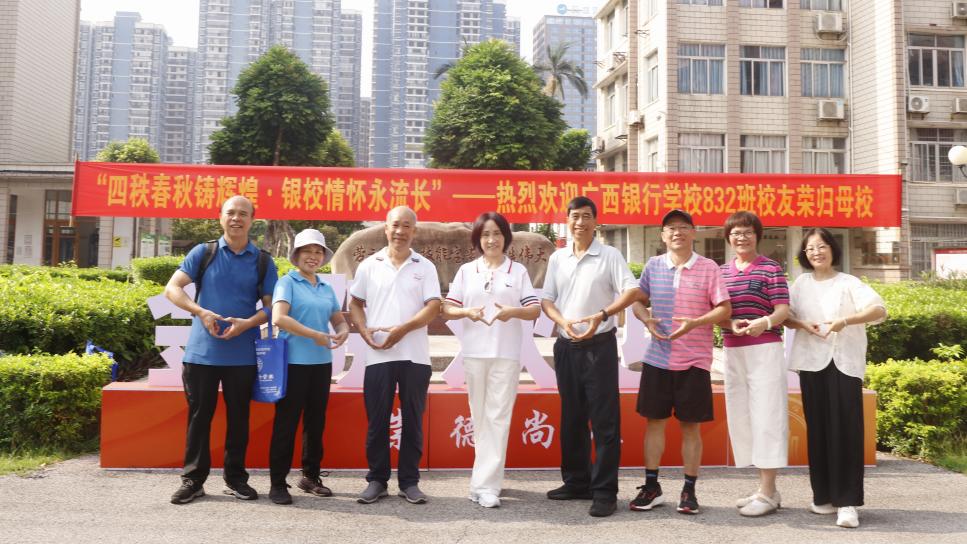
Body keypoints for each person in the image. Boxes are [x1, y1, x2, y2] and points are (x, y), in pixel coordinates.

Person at [164, 195, 278, 504]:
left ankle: (235, 478)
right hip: (201, 353)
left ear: (252, 220)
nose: (236, 218)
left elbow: (273, 307)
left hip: (243, 354)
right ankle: (193, 479)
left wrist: (247, 323)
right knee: (199, 417)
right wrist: (200, 311)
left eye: (243, 214)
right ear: (220, 217)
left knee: (239, 418)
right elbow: (172, 288)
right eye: (231, 212)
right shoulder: (204, 252)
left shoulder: (263, 261)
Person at [540, 196, 644, 518]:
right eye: (575, 216)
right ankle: (576, 482)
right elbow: (547, 299)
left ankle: (605, 492)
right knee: (571, 418)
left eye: (586, 216)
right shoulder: (558, 258)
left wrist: (602, 315)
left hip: (599, 347)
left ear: (595, 222)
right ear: (567, 221)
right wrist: (563, 323)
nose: (580, 222)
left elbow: (631, 291)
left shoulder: (609, 255)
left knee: (604, 421)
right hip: (566, 346)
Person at [630, 209, 731, 515]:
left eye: (683, 227)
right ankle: (652, 486)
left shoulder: (708, 267)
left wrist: (696, 322)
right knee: (654, 423)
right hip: (657, 359)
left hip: (694, 361)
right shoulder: (653, 265)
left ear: (693, 232)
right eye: (671, 228)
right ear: (663, 235)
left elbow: (724, 309)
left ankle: (689, 490)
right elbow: (637, 300)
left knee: (691, 427)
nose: (677, 232)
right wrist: (646, 319)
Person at [784, 227, 886, 529]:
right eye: (811, 248)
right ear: (804, 254)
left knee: (846, 432)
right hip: (811, 363)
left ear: (833, 249)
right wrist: (803, 324)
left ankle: (848, 502)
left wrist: (845, 321)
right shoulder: (800, 284)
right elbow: (785, 316)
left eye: (822, 246)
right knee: (818, 431)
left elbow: (878, 310)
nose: (817, 252)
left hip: (843, 363)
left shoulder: (848, 282)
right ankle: (824, 496)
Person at [442, 212, 541, 509]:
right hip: (474, 354)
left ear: (505, 237)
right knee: (480, 418)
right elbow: (448, 308)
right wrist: (466, 312)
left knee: (498, 418)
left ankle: (486, 486)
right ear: (478, 239)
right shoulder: (467, 270)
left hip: (506, 355)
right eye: (485, 234)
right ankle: (483, 481)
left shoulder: (517, 271)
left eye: (497, 233)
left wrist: (512, 312)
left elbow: (534, 309)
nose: (491, 239)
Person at [348, 206, 441, 505]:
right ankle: (377, 480)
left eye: (406, 226)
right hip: (379, 354)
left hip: (415, 356)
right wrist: (363, 330)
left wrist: (403, 329)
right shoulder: (369, 265)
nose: (400, 231)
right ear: (386, 228)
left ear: (414, 231)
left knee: (413, 420)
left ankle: (409, 482)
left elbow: (433, 307)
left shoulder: (424, 266)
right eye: (395, 225)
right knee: (378, 420)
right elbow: (355, 303)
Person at [267, 229, 350, 505]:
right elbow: (279, 318)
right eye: (307, 251)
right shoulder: (287, 282)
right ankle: (278, 483)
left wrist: (343, 330)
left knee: (315, 423)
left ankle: (310, 477)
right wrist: (314, 334)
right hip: (293, 363)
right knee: (286, 424)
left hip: (321, 364)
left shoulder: (325, 287)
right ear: (296, 255)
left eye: (318, 252)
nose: (313, 256)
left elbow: (337, 318)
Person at [718, 211, 790, 517]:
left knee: (767, 416)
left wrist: (765, 322)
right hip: (733, 350)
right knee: (742, 416)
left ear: (757, 235)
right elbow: (717, 311)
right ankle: (764, 489)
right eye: (735, 233)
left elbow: (783, 309)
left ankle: (768, 490)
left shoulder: (770, 268)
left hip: (765, 349)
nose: (741, 238)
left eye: (747, 232)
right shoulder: (721, 272)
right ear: (728, 238)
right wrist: (729, 323)